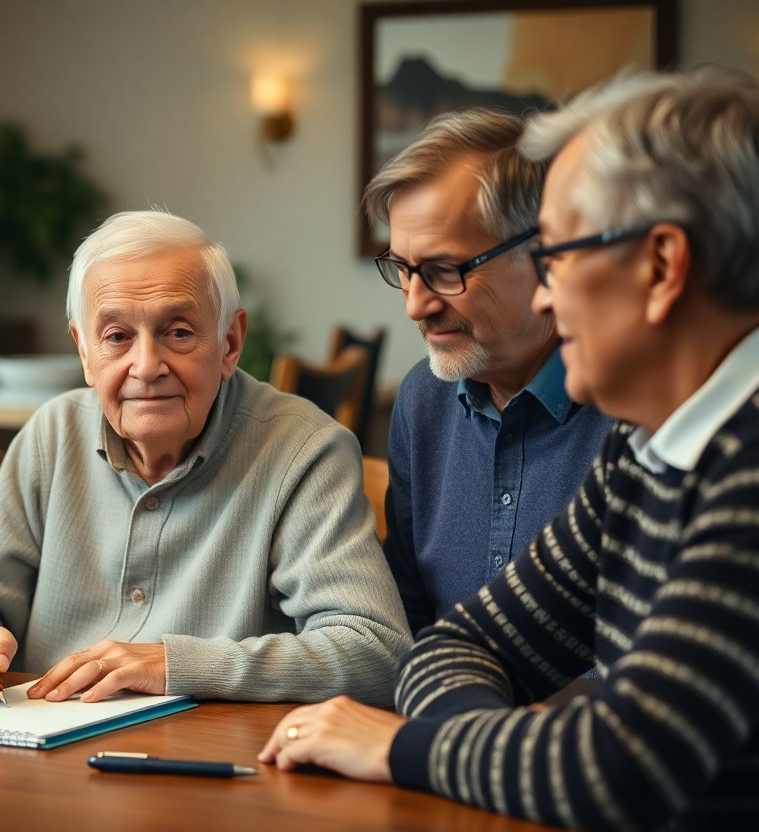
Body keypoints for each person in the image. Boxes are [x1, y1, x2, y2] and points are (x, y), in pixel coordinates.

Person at [259, 67, 759, 831]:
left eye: (561, 256)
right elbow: (450, 642)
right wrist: (492, 749)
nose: (549, 297)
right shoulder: (649, 447)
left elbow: (621, 766)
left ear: (660, 267)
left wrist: (405, 747)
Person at [0, 210, 410, 706]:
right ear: (84, 352)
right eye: (116, 337)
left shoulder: (304, 451)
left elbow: (377, 653)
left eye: (178, 332)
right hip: (43, 765)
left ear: (230, 342)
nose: (146, 365)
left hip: (207, 771)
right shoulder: (54, 434)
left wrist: (171, 665)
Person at [363, 108, 612, 635]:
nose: (414, 304)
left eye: (443, 271)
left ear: (545, 255)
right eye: (403, 270)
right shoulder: (423, 398)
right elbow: (402, 620)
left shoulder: (632, 406)